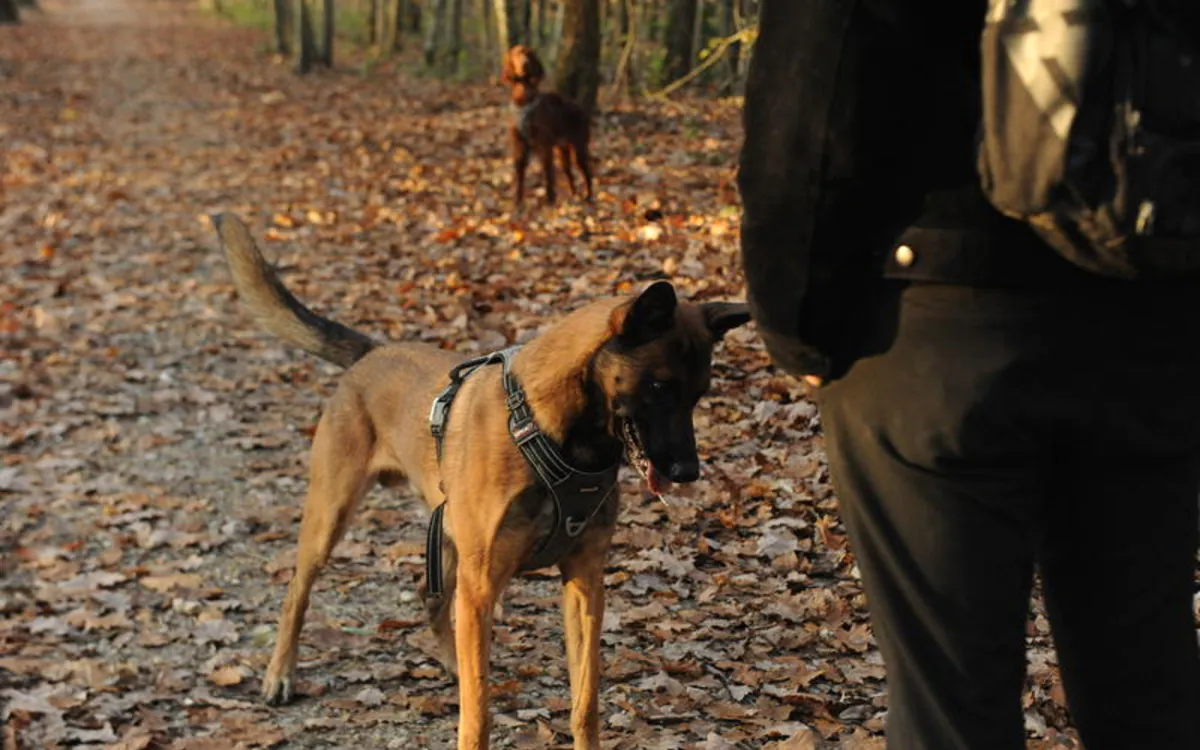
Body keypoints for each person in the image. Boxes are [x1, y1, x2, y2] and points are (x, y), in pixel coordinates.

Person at [736, 2, 1200, 749]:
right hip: (1153, 310)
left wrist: (800, 324)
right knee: (1152, 697)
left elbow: (813, 87)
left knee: (950, 708)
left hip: (934, 327)